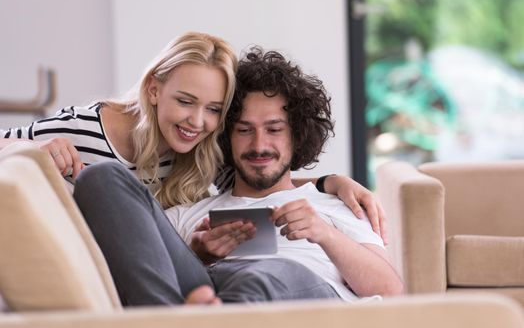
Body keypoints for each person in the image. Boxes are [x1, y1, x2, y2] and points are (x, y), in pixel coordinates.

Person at [72, 47, 402, 306]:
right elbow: (136, 266)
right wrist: (197, 255)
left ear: (297, 136)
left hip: (301, 291)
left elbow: (391, 290)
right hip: (206, 291)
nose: (259, 145)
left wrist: (325, 234)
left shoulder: (334, 204)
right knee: (102, 177)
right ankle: (174, 320)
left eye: (274, 130)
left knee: (264, 274)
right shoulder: (192, 212)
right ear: (226, 136)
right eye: (244, 130)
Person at [0, 32, 388, 240]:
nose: (197, 121)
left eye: (214, 109)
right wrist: (32, 147)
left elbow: (260, 175)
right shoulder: (87, 128)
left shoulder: (204, 152)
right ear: (153, 89)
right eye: (186, 102)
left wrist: (329, 182)